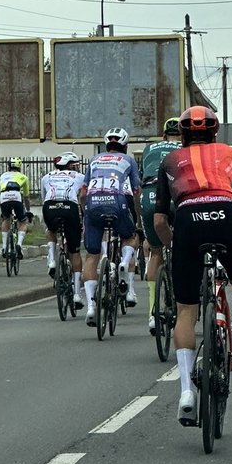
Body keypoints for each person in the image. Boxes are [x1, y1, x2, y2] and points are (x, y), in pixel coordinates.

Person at [153, 106, 232, 425]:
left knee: (185, 310)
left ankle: (187, 392)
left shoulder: (169, 160)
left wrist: (176, 247)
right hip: (225, 213)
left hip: (188, 219)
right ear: (213, 132)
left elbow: (160, 219)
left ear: (184, 134)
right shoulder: (229, 153)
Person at [79, 127, 142, 322]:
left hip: (93, 203)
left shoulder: (94, 160)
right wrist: (137, 217)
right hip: (117, 202)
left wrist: (85, 213)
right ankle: (124, 262)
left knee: (92, 255)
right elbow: (136, 191)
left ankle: (91, 306)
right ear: (125, 146)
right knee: (131, 237)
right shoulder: (129, 160)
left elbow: (82, 193)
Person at [140, 117, 182, 332]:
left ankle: (153, 314)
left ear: (164, 134)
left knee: (155, 252)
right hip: (176, 194)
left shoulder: (149, 148)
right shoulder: (186, 148)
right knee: (185, 248)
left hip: (150, 195)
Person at [40, 153, 87, 305]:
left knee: (51, 230)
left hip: (50, 206)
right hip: (69, 207)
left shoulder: (46, 176)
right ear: (69, 165)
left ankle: (52, 259)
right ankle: (76, 294)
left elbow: (43, 197)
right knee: (74, 251)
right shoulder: (79, 176)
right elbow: (83, 197)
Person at [0, 156, 32, 261]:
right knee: (23, 222)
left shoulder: (2, 176)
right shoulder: (23, 177)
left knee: (6, 219)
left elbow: (0, 191)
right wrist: (28, 210)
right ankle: (19, 245)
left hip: (4, 196)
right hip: (16, 196)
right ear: (19, 167)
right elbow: (26, 197)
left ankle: (4, 247)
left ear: (8, 166)